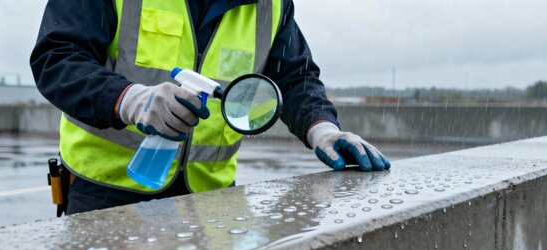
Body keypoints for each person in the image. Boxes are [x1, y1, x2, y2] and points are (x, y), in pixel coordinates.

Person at [31, 0, 391, 215]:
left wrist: (323, 128)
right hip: (105, 194)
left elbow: (293, 76)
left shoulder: (270, 4)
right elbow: (57, 56)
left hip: (212, 204)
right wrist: (130, 100)